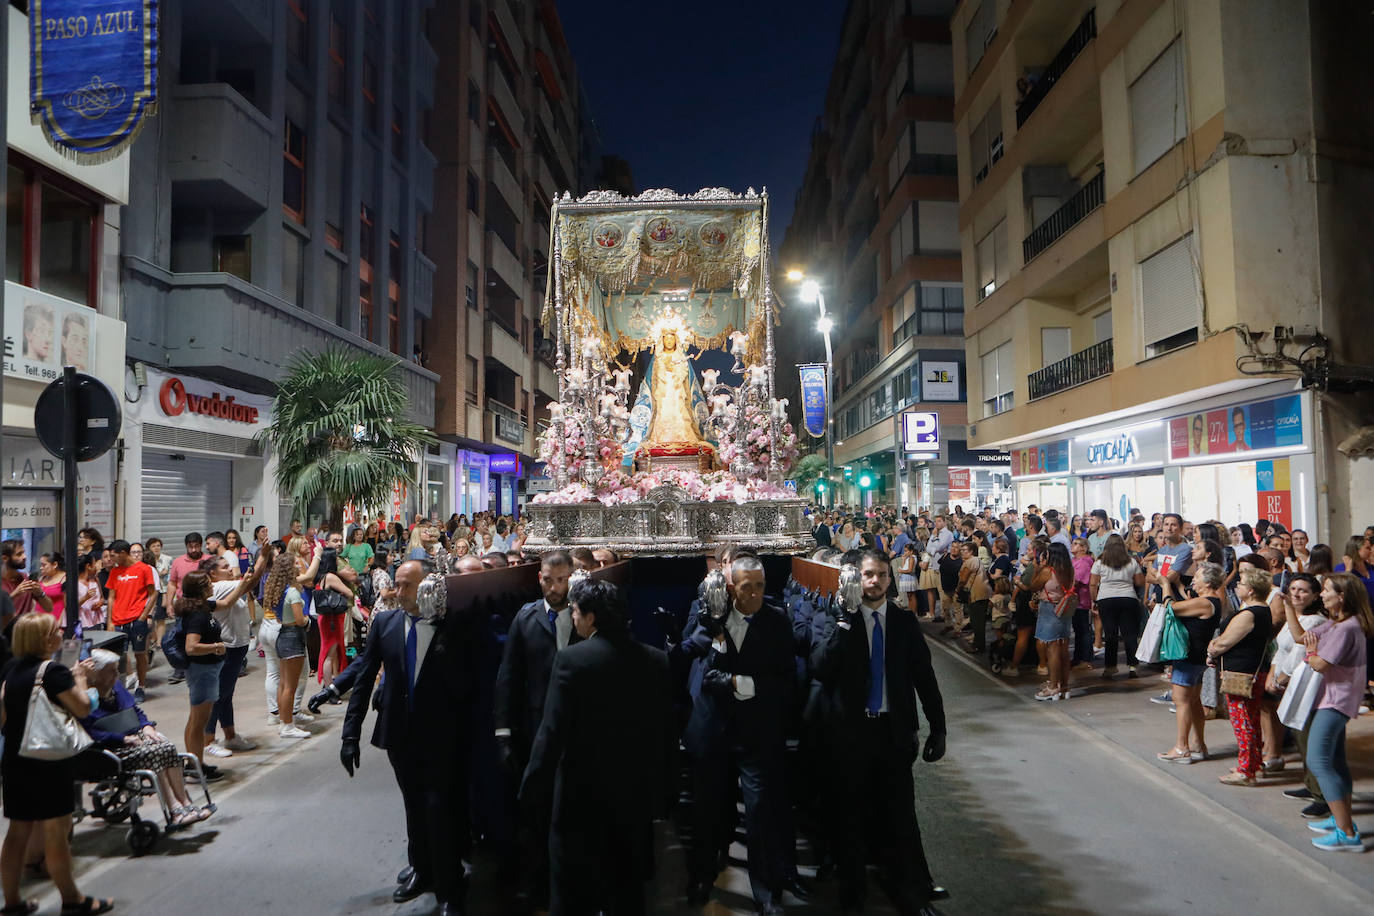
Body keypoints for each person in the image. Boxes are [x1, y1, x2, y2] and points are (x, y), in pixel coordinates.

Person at [519, 578, 673, 915]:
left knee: (573, 891)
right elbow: (664, 733)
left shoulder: (573, 660)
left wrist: (531, 786)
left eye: (575, 611)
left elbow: (552, 730)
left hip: (579, 795)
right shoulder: (656, 660)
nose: (572, 617)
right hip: (633, 796)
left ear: (591, 618)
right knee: (626, 889)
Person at [811, 549, 947, 915]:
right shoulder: (837, 617)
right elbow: (820, 668)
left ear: (890, 579)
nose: (875, 581)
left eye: (882, 575)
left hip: (893, 733)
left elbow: (924, 677)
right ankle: (853, 893)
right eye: (868, 575)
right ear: (855, 578)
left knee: (901, 816)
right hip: (850, 736)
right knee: (850, 816)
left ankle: (911, 893)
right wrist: (843, 623)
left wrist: (938, 728)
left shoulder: (903, 622)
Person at [340, 560, 477, 915]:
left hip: (441, 736)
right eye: (397, 585)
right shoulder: (384, 624)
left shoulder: (453, 625)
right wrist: (349, 735)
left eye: (407, 586)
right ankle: (422, 869)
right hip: (399, 735)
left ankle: (450, 886)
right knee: (414, 805)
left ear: (429, 586)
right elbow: (364, 677)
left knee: (439, 808)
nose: (398, 593)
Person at [680, 555, 795, 912]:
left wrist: (738, 683)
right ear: (732, 587)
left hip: (756, 731)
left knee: (760, 812)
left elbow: (786, 679)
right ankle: (701, 877)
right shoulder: (708, 613)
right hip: (712, 726)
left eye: (761, 586)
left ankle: (766, 892)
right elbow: (689, 652)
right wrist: (708, 628)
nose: (756, 594)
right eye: (748, 587)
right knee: (707, 810)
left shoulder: (777, 621)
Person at [0, 614, 114, 916]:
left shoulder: (10, 670)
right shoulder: (52, 672)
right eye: (54, 631)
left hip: (15, 759)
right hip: (49, 761)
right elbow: (83, 707)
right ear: (44, 639)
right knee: (56, 832)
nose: (59, 634)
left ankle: (11, 903)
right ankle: (73, 900)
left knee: (17, 832)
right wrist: (81, 679)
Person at [493, 551, 578, 910]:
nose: (554, 587)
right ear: (539, 578)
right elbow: (508, 678)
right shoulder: (526, 619)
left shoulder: (583, 617)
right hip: (534, 730)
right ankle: (534, 882)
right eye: (548, 579)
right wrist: (504, 734)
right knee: (534, 811)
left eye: (561, 580)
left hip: (576, 732)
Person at [80, 649, 209, 827]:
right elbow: (90, 732)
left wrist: (146, 726)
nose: (117, 674)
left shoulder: (116, 686)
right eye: (112, 671)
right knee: (155, 752)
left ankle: (186, 803)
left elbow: (135, 710)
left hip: (132, 735)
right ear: (97, 674)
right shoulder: (85, 697)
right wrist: (123, 739)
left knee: (165, 745)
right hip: (112, 745)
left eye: (117, 669)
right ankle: (174, 808)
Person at [1301, 572, 1373, 851]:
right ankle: (1342, 819)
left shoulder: (1346, 629)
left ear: (1341, 596)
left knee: (1318, 761)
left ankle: (1347, 833)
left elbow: (1319, 663)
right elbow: (1302, 636)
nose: (1321, 594)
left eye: (1327, 590)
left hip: (1336, 701)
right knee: (1337, 761)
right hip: (1335, 699)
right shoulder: (1338, 624)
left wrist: (1311, 652)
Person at [175, 568, 260, 770]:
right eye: (208, 584)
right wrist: (216, 647)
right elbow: (191, 647)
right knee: (199, 722)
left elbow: (227, 602)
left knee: (195, 719)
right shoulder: (197, 615)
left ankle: (192, 762)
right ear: (200, 589)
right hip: (202, 671)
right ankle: (197, 766)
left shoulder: (204, 606)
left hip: (207, 670)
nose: (212, 585)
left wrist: (243, 582)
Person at [1208, 567, 1275, 786]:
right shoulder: (1263, 610)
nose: (1237, 586)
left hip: (1241, 673)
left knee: (1242, 721)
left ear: (1252, 590)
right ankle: (1254, 763)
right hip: (1253, 671)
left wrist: (1212, 650)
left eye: (1241, 583)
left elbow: (1225, 641)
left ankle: (1246, 770)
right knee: (1251, 719)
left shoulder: (1249, 614)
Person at [1151, 561, 1223, 764]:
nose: (1194, 579)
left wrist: (1165, 584)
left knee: (1181, 701)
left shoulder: (1204, 602)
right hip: (1198, 657)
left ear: (1208, 582)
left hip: (1188, 657)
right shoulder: (1211, 601)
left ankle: (1181, 747)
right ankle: (1199, 744)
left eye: (1198, 576)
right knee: (1193, 701)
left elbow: (1171, 608)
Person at [1274, 574, 1332, 818]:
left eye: (1303, 591)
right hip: (1293, 683)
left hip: (1308, 684)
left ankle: (1323, 796)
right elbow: (1282, 647)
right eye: (1293, 588)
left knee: (1310, 739)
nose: (1296, 594)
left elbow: (1300, 645)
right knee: (1300, 735)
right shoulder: (1296, 616)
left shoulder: (1316, 620)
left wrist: (1284, 675)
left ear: (1316, 595)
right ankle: (1311, 785)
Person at [204, 549, 269, 758]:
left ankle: (230, 736)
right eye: (224, 568)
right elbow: (252, 580)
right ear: (213, 574)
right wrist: (264, 555)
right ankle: (208, 740)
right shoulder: (219, 587)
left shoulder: (228, 585)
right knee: (217, 696)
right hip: (227, 649)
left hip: (236, 649)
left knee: (225, 695)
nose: (230, 570)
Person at [260, 553, 313, 739]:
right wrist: (308, 621)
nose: (299, 566)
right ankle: (288, 725)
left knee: (283, 683)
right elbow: (300, 620)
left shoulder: (279, 590)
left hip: (282, 634)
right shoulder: (292, 592)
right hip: (293, 637)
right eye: (296, 564)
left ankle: (284, 721)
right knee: (291, 685)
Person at [105, 541, 157, 702]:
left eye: (113, 555)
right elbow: (111, 598)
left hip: (137, 619)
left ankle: (141, 687)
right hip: (118, 620)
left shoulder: (144, 569)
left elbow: (153, 594)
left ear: (123, 553)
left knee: (140, 654)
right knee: (118, 656)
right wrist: (110, 621)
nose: (110, 558)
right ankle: (118, 688)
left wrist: (144, 616)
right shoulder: (115, 571)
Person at [1090, 534, 1145, 679]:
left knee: (1110, 634)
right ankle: (1133, 666)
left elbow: (1093, 584)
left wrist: (1094, 600)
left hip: (1106, 600)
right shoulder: (1131, 562)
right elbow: (1140, 582)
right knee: (1130, 634)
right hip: (1128, 598)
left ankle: (1110, 667)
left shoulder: (1099, 563)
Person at [166, 533, 209, 687]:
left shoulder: (208, 561)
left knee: (201, 636)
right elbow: (172, 583)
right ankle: (180, 667)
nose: (193, 549)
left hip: (203, 606)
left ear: (201, 545)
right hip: (183, 605)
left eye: (196, 546)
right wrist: (169, 603)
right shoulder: (178, 562)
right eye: (190, 546)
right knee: (180, 636)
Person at [313, 547, 354, 687]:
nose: (338, 560)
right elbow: (349, 593)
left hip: (325, 618)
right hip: (333, 620)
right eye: (335, 558)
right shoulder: (331, 577)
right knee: (329, 654)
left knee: (327, 651)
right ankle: (329, 688)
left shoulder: (320, 576)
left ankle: (329, 684)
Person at [958, 541, 991, 654]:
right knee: (979, 621)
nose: (962, 552)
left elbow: (963, 579)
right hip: (983, 593)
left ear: (971, 551)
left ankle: (978, 646)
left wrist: (958, 589)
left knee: (977, 622)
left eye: (964, 550)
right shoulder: (977, 560)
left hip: (976, 594)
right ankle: (978, 644)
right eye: (961, 550)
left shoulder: (970, 562)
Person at [76, 553, 105, 631]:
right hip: (82, 621)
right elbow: (70, 605)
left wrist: (100, 603)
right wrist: (85, 598)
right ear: (88, 566)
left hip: (96, 620)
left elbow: (102, 598)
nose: (96, 567)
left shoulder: (95, 580)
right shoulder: (75, 583)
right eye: (94, 564)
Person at [36, 553, 66, 623]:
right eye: (41, 565)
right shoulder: (42, 578)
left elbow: (67, 605)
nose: (41, 568)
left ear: (55, 565)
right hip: (39, 619)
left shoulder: (64, 578)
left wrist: (60, 622)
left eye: (44, 565)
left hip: (55, 619)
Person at [897, 542, 919, 613]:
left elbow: (910, 570)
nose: (905, 552)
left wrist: (901, 571)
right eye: (904, 551)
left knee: (912, 596)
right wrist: (903, 559)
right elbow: (904, 567)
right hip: (906, 578)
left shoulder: (912, 558)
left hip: (910, 578)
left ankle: (914, 612)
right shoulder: (908, 558)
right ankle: (910, 611)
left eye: (906, 551)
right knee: (909, 596)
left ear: (911, 551)